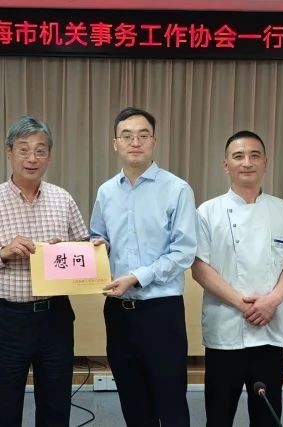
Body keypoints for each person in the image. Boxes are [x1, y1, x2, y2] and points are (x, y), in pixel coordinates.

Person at [0, 116, 89, 427]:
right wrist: (2, 253)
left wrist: (70, 250)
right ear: (9, 152)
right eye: (24, 149)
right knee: (4, 406)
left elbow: (83, 246)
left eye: (40, 150)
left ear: (49, 156)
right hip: (6, 321)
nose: (32, 158)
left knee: (56, 405)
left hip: (55, 317)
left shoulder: (63, 199)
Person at [192, 130, 283, 426]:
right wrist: (241, 303)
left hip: (270, 330)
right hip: (226, 331)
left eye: (254, 155)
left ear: (265, 163)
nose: (247, 162)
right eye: (238, 156)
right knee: (219, 417)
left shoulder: (282, 210)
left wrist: (272, 300)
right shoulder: (207, 212)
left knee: (267, 417)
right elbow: (199, 267)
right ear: (226, 165)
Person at [90, 107, 197, 426]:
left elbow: (184, 251)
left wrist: (137, 277)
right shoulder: (106, 191)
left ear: (154, 141)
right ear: (115, 143)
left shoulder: (177, 189)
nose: (135, 142)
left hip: (161, 311)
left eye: (142, 135)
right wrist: (97, 247)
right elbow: (98, 236)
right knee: (132, 400)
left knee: (171, 400)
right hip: (118, 312)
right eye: (126, 136)